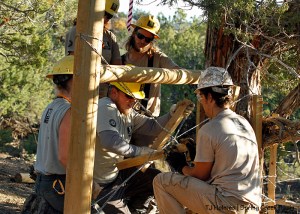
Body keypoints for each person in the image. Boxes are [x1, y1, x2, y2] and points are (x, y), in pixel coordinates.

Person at [153, 67, 262, 214]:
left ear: (210, 97)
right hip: (252, 206)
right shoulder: (243, 123)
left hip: (226, 205)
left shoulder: (210, 128)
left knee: (161, 181)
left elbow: (200, 176)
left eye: (200, 97)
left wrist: (181, 166)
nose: (201, 103)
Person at [92, 81, 194, 213]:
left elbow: (152, 126)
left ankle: (136, 210)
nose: (133, 102)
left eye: (135, 98)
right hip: (100, 185)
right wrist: (139, 152)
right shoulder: (106, 106)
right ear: (113, 93)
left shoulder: (127, 112)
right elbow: (109, 141)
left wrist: (172, 114)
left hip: (117, 175)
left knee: (156, 180)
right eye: (129, 97)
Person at [34, 55, 74, 213]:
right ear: (74, 80)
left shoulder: (50, 107)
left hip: (43, 184)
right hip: (57, 187)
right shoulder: (68, 111)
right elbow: (64, 157)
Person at [122, 15, 180, 117]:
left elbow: (178, 71)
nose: (143, 41)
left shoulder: (158, 58)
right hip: (122, 117)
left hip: (148, 120)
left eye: (148, 39)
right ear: (134, 33)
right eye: (140, 36)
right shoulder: (121, 60)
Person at [65, 0, 122, 98]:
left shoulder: (110, 37)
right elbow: (73, 63)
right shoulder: (77, 31)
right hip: (81, 93)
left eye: (109, 16)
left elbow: (117, 66)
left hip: (104, 95)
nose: (106, 19)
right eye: (104, 14)